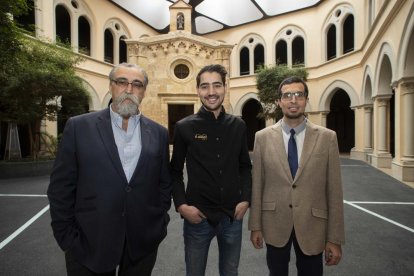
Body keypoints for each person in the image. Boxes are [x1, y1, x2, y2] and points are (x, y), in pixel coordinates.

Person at [47, 63, 172, 276]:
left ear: (143, 91)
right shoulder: (78, 127)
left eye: (137, 84)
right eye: (122, 82)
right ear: (111, 86)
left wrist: (157, 225)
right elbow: (61, 187)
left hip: (141, 243)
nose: (129, 89)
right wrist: (67, 237)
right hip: (88, 243)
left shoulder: (159, 133)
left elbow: (163, 184)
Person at [248, 76, 345, 276]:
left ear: (306, 99)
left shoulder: (327, 137)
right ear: (279, 101)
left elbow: (334, 191)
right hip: (274, 223)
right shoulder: (262, 138)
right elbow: (257, 185)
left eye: (299, 95)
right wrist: (255, 226)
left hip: (313, 225)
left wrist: (334, 238)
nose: (293, 100)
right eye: (287, 95)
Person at [170, 64, 252, 276]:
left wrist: (246, 199)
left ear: (225, 87)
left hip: (232, 217)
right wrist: (181, 206)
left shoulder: (239, 126)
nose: (211, 92)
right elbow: (174, 171)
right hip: (198, 218)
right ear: (198, 90)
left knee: (230, 272)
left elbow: (245, 166)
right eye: (205, 86)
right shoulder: (184, 127)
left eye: (217, 85)